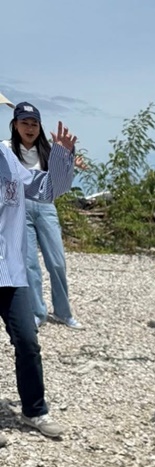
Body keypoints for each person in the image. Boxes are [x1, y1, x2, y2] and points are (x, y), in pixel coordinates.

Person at [0, 119, 76, 440]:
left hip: (10, 271)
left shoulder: (8, 159)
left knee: (28, 341)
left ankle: (34, 410)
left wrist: (62, 157)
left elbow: (47, 190)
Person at [4, 102, 82, 330]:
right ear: (15, 125)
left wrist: (68, 158)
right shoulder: (6, 149)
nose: (30, 128)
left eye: (34, 124)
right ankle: (38, 312)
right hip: (19, 209)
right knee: (29, 264)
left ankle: (63, 312)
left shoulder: (48, 149)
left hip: (46, 206)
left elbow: (57, 183)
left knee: (57, 262)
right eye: (25, 123)